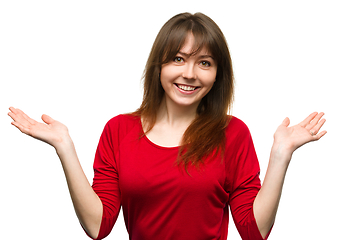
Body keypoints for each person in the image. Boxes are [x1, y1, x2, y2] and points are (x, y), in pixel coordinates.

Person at [8, 12, 326, 240]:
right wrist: (64, 145)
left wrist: (281, 154)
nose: (189, 73)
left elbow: (252, 232)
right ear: (158, 65)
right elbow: (97, 227)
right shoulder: (118, 130)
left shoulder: (233, 133)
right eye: (177, 58)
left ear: (217, 75)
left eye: (204, 62)